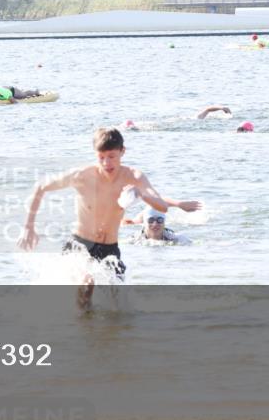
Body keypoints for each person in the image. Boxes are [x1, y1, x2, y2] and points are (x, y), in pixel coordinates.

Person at [17, 128, 201, 307]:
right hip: (80, 244)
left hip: (110, 249)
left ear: (122, 151)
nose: (106, 163)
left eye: (112, 156)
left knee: (118, 305)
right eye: (101, 158)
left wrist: (141, 194)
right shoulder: (81, 176)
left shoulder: (134, 177)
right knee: (87, 283)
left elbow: (161, 206)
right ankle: (82, 328)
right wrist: (28, 227)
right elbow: (41, 187)